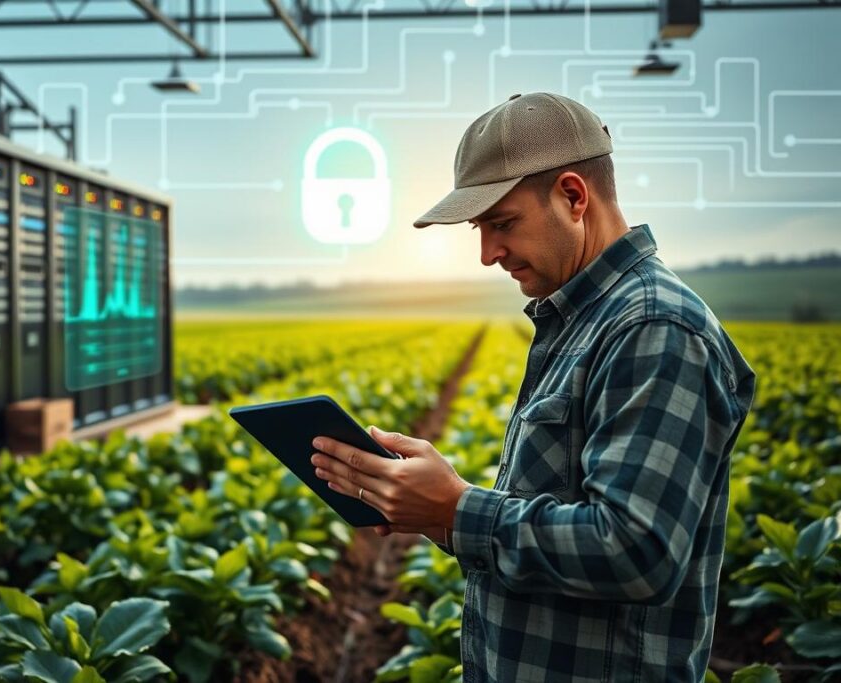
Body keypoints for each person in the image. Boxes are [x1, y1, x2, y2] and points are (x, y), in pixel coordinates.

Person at [309, 91, 756, 682]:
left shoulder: (653, 326)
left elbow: (636, 552)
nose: (488, 253)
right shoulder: (584, 318)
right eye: (481, 228)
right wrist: (434, 512)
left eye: (503, 224)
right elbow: (556, 517)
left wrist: (457, 506)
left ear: (573, 196)